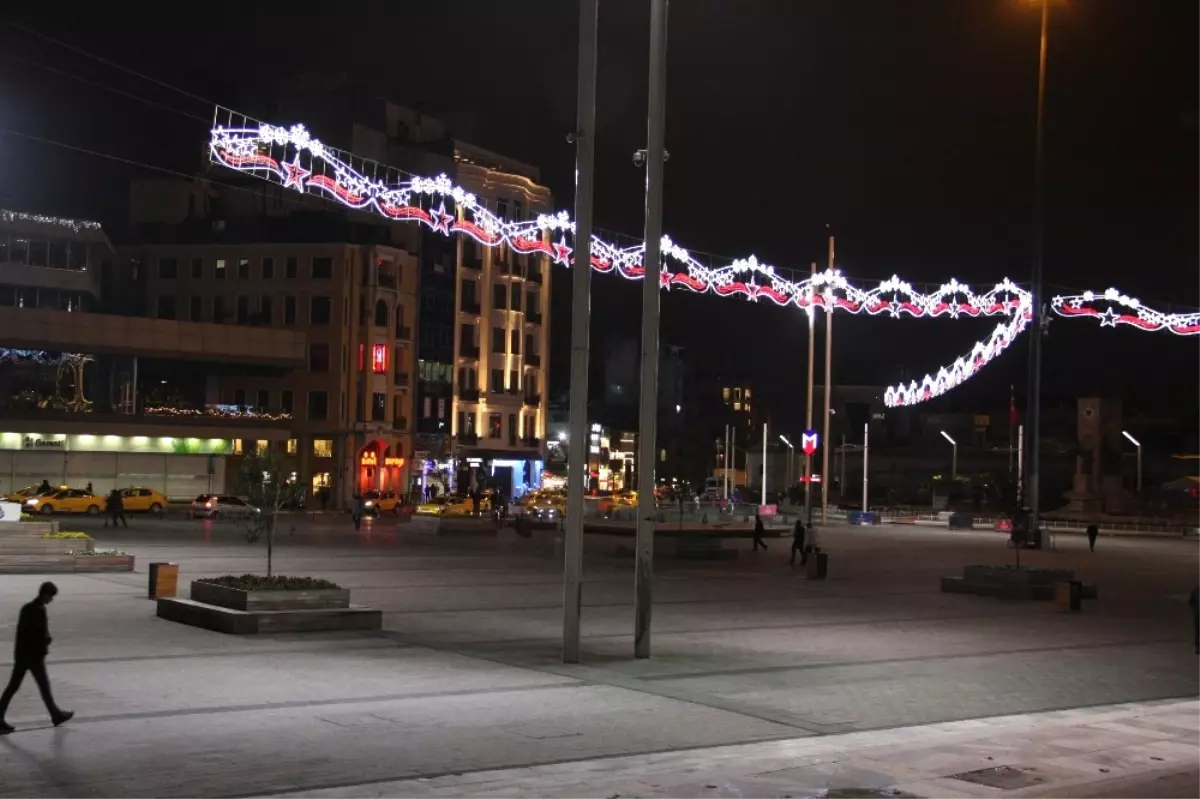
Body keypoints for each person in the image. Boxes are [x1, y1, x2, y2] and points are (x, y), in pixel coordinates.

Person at [0, 582, 73, 734]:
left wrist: (45, 638)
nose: (51, 600)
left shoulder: (33, 608)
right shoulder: (34, 610)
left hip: (26, 655)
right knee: (39, 687)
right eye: (51, 596)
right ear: (45, 594)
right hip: (31, 656)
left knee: (15, 687)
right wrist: (44, 641)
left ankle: (56, 714)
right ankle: (56, 715)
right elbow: (28, 634)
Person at [1190, 586, 1200, 655]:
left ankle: (1198, 648)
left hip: (1197, 614)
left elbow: (1191, 603)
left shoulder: (1196, 590)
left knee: (1198, 631)